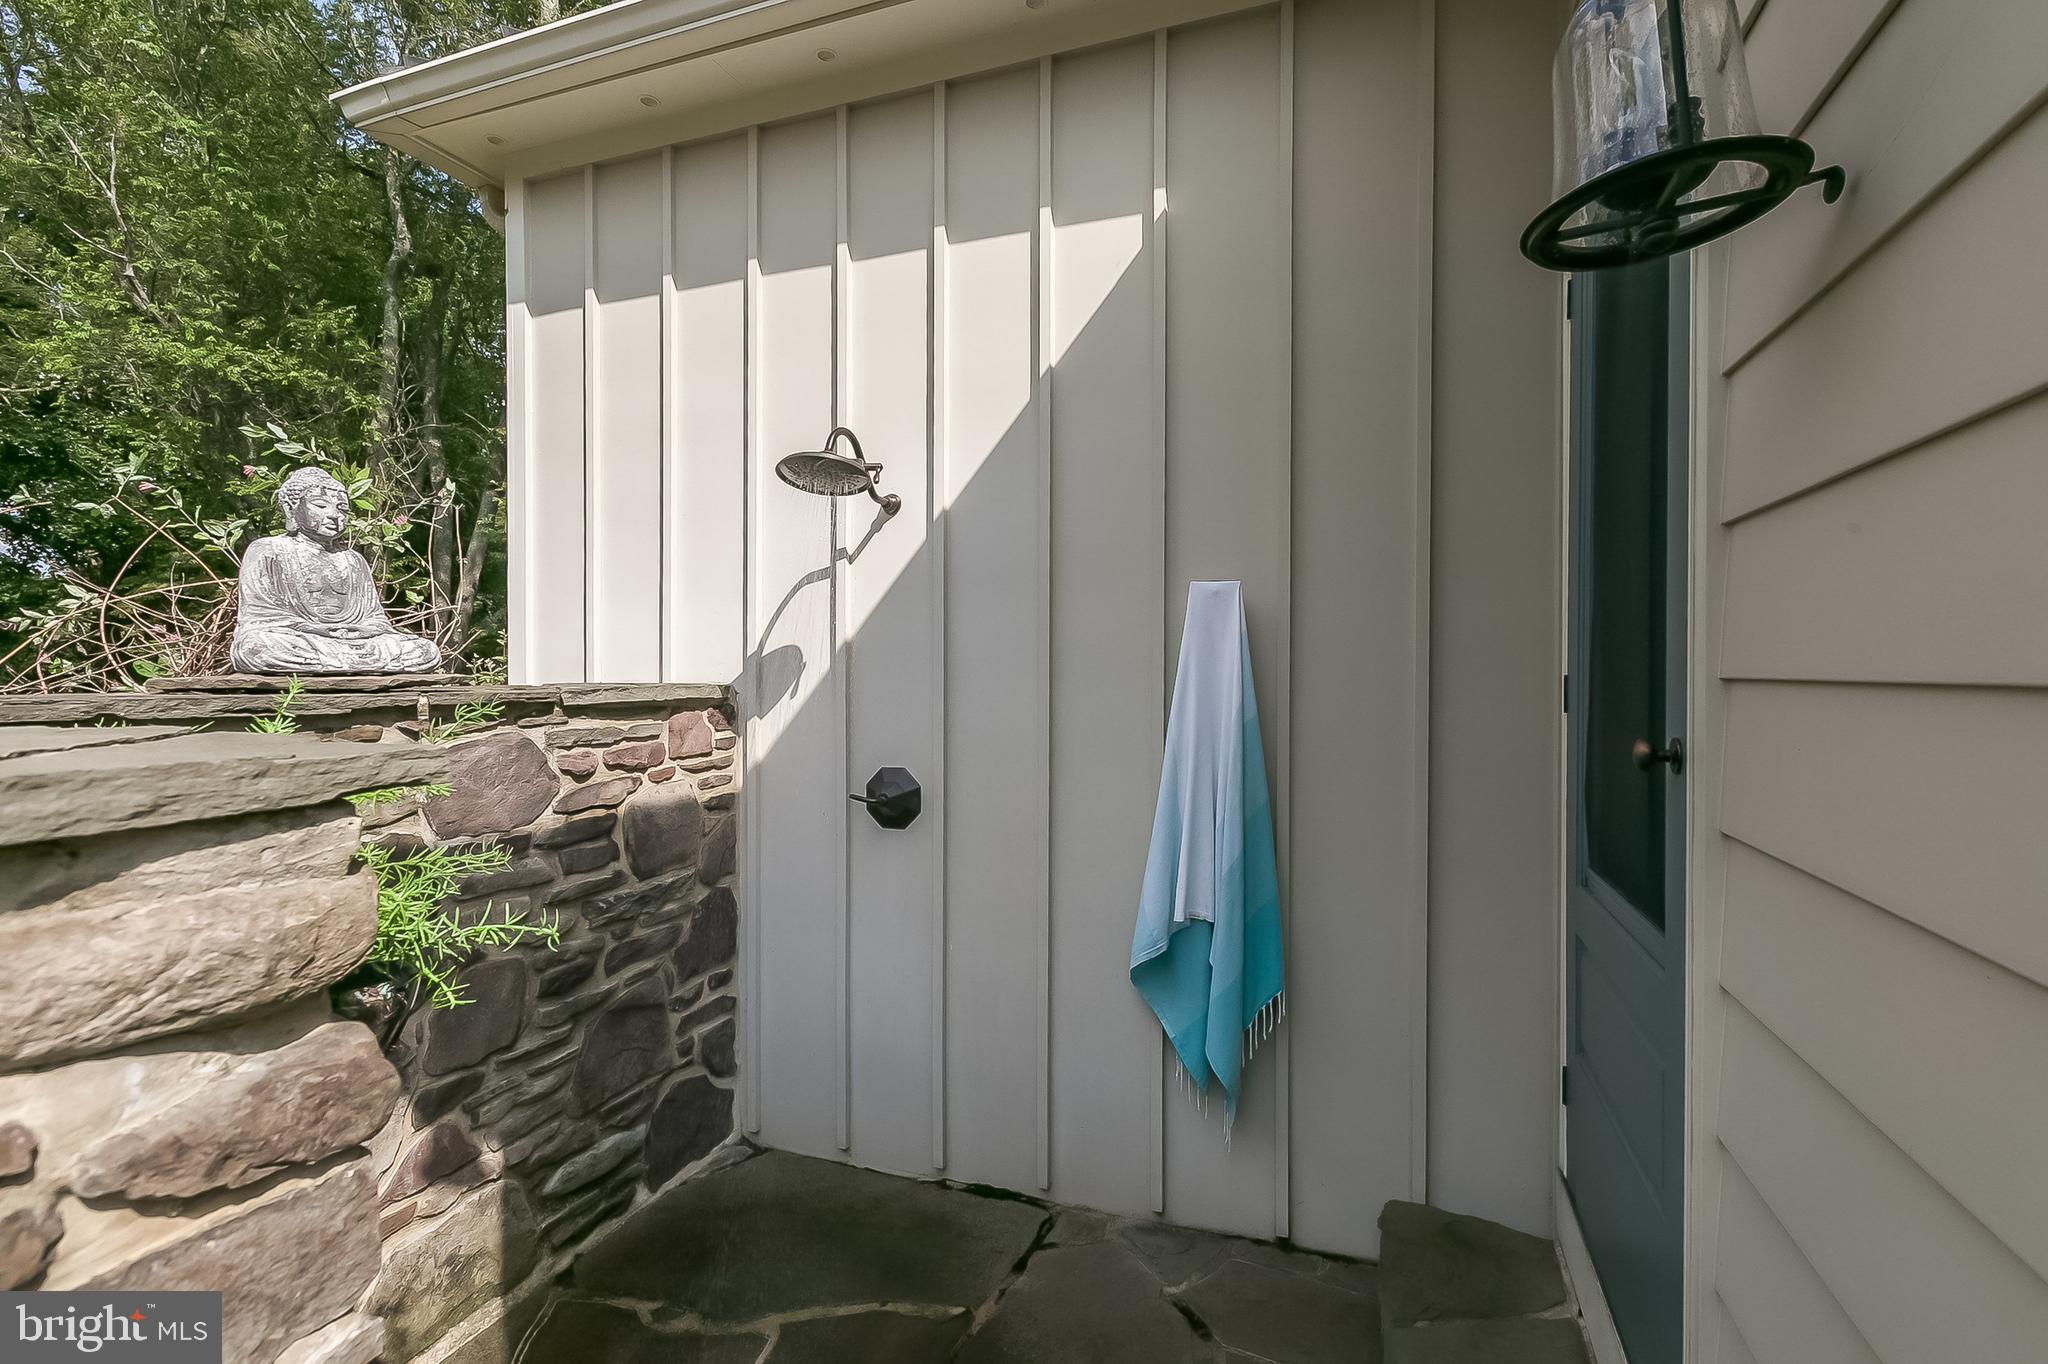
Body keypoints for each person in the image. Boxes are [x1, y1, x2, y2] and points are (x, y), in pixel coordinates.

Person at [229, 467, 441, 674]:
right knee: (255, 648)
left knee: (426, 651)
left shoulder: (353, 560)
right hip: (299, 638)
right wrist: (312, 628)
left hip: (352, 643)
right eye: (321, 505)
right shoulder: (267, 550)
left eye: (342, 509)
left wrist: (362, 630)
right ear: (290, 509)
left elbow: (375, 619)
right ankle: (353, 665)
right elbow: (258, 618)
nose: (334, 515)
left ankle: (340, 664)